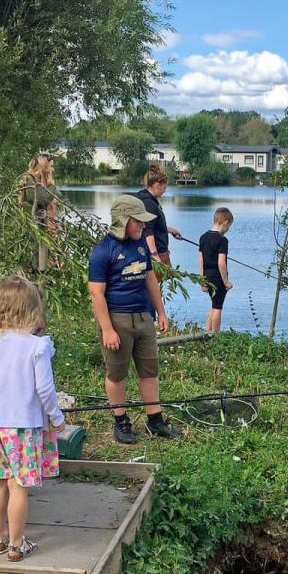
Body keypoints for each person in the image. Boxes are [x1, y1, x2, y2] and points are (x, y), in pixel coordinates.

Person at [0, 275, 65, 562]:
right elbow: (45, 389)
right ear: (32, 310)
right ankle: (16, 543)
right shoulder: (36, 346)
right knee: (18, 486)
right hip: (24, 427)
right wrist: (57, 417)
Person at [88, 194, 181, 444]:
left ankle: (155, 420)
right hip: (117, 319)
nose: (142, 226)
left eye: (143, 222)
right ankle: (121, 421)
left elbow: (150, 279)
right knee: (117, 373)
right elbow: (96, 293)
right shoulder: (103, 251)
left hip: (143, 316)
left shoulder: (140, 247)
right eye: (137, 221)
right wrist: (107, 329)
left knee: (149, 370)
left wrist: (160, 312)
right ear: (122, 220)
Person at [135, 163, 183, 283]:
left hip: (157, 253)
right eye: (164, 188)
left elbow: (152, 223)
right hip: (154, 255)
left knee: (156, 290)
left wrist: (170, 230)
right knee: (153, 290)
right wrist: (156, 256)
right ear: (157, 185)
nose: (164, 191)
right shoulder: (149, 203)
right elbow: (148, 231)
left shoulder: (148, 199)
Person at [18, 154, 59, 272]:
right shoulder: (28, 179)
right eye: (48, 167)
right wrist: (52, 185)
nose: (51, 170)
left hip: (36, 227)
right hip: (31, 226)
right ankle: (36, 271)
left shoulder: (33, 179)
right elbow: (43, 199)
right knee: (34, 254)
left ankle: (40, 270)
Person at [198, 207, 234, 334]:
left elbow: (200, 260)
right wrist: (225, 281)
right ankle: (215, 335)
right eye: (229, 227)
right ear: (226, 222)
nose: (228, 230)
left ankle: (207, 332)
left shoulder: (203, 237)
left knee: (213, 305)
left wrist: (201, 280)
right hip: (218, 278)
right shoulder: (222, 240)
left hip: (207, 276)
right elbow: (221, 263)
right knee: (218, 307)